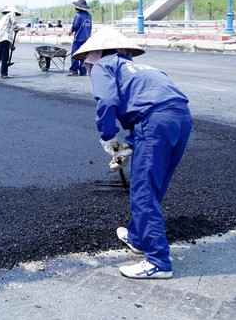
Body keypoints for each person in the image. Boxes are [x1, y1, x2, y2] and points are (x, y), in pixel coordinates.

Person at [72, 27, 192, 280]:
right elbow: (151, 108)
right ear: (125, 50)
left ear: (94, 54)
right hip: (181, 119)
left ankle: (159, 262)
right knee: (155, 185)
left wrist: (109, 138)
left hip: (154, 121)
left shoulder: (104, 65)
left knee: (143, 192)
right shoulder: (147, 69)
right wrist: (126, 150)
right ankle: (137, 237)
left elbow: (106, 101)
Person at [0, 6, 21, 79]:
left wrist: (10, 45)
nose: (15, 15)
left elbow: (4, 32)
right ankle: (4, 73)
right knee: (5, 57)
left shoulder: (1, 20)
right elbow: (14, 23)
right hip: (4, 39)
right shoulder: (10, 14)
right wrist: (16, 27)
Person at [67, 0, 93, 76]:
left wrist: (71, 31)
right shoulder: (89, 16)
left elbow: (75, 26)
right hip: (87, 38)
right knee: (84, 55)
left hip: (78, 38)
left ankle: (74, 70)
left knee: (74, 54)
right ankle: (83, 71)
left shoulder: (78, 15)